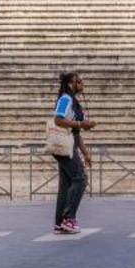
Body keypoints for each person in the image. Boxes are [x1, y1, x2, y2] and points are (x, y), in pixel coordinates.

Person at [51, 71, 94, 235]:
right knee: (80, 179)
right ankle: (69, 219)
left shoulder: (73, 101)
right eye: (79, 81)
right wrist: (82, 124)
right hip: (64, 146)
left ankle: (59, 224)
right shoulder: (66, 99)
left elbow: (75, 132)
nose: (82, 84)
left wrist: (85, 153)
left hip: (69, 144)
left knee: (66, 185)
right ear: (71, 84)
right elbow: (58, 119)